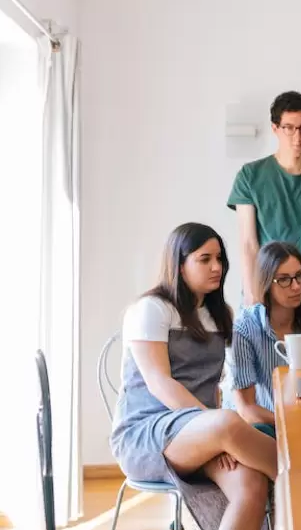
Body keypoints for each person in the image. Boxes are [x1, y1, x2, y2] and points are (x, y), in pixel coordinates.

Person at [111, 223, 274, 530]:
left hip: (201, 434)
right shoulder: (151, 309)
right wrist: (213, 427)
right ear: (179, 264)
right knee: (227, 421)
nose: (217, 267)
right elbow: (161, 383)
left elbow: (212, 387)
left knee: (251, 483)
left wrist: (214, 432)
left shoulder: (218, 314)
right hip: (146, 434)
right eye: (205, 259)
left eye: (220, 259)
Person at [228, 91, 301, 314]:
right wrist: (253, 295)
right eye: (289, 128)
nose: (297, 137)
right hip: (263, 293)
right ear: (275, 128)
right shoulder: (250, 176)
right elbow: (248, 244)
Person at [224, 241, 301, 438]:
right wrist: (289, 421)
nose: (295, 286)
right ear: (266, 283)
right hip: (260, 427)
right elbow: (247, 409)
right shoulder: (244, 327)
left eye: (299, 277)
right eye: (284, 279)